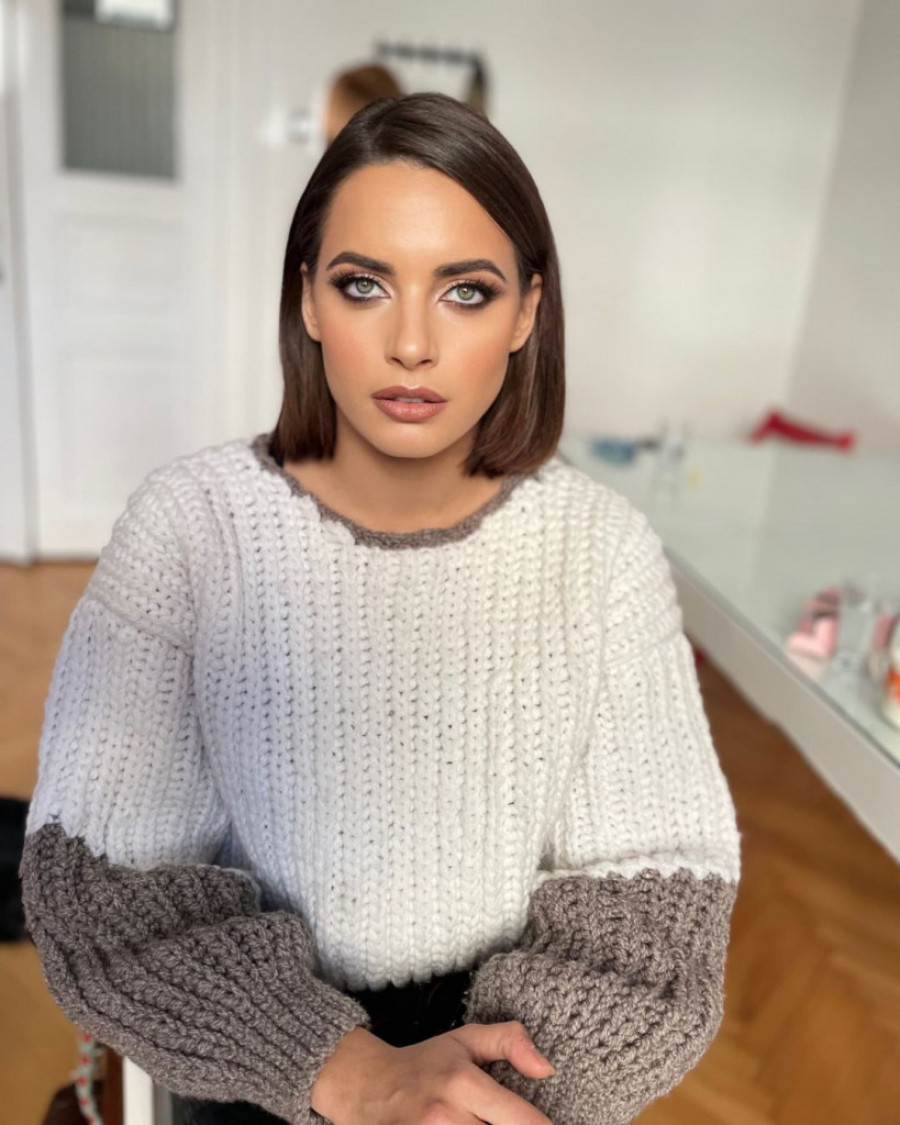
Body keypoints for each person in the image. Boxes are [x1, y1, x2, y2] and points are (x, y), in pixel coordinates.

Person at [19, 93, 741, 1125]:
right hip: (254, 1064)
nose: (411, 343)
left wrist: (460, 1105)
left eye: (466, 292)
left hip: (518, 1084)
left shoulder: (602, 551)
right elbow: (109, 899)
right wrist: (350, 1073)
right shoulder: (187, 529)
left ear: (527, 312)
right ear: (308, 300)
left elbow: (655, 909)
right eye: (364, 284)